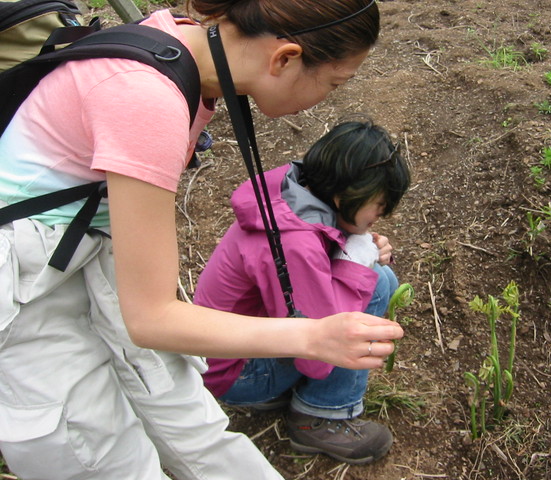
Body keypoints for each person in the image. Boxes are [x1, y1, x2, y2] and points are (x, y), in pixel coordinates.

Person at [0, 1, 405, 479]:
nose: (325, 100)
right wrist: (313, 337)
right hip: (25, 276)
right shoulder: (147, 97)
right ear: (285, 58)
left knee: (180, 409)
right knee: (99, 454)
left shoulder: (187, 49)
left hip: (85, 242)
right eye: (334, 83)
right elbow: (151, 318)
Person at [194, 118, 411, 465]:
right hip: (239, 372)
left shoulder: (292, 193)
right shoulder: (295, 244)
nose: (382, 214)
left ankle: (292, 393)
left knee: (380, 277)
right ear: (342, 197)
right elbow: (322, 346)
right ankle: (321, 414)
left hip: (234, 348)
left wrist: (361, 245)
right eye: (377, 206)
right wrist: (356, 262)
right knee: (373, 287)